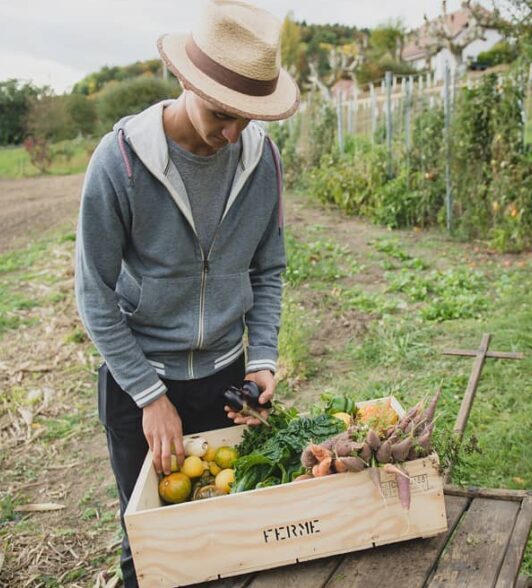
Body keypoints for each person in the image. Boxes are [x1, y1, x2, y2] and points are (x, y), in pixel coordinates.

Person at [74, 1, 299, 585]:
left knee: (229, 541)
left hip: (225, 378)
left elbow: (267, 271)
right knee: (149, 547)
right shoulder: (120, 161)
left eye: (248, 117)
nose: (233, 133)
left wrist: (264, 361)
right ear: (185, 80)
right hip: (140, 384)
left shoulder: (263, 162)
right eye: (223, 113)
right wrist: (150, 395)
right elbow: (93, 292)